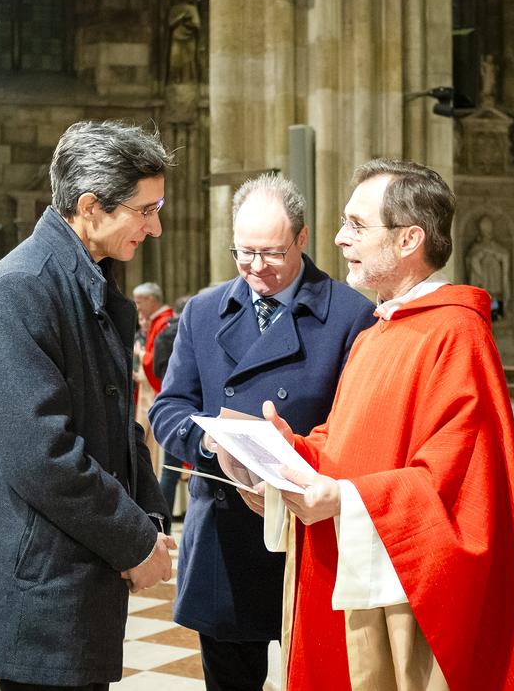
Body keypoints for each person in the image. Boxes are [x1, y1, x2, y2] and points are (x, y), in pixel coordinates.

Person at [226, 159, 514, 691]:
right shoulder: (375, 333)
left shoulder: (457, 335)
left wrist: (344, 499)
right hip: (345, 573)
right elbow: (344, 444)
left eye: (356, 225)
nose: (338, 238)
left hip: (401, 600)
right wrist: (290, 451)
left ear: (408, 239)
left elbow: (453, 486)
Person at [0, 120, 176, 691]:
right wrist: (134, 541)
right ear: (90, 206)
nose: (155, 227)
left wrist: (148, 519)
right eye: (145, 210)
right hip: (42, 584)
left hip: (74, 571)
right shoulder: (23, 287)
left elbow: (116, 421)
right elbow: (42, 456)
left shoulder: (82, 280)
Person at [149, 174, 376, 691]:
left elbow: (358, 427)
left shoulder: (350, 314)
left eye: (272, 252)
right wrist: (209, 442)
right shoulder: (203, 311)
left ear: (302, 238)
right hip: (225, 535)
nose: (256, 266)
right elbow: (169, 407)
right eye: (244, 252)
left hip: (311, 536)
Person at [151, 293, 191, 512]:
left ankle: (162, 521)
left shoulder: (163, 336)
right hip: (198, 404)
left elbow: (157, 370)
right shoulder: (197, 332)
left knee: (170, 470)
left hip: (174, 406)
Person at [133, 282, 174, 476]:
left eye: (139, 302)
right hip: (148, 389)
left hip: (157, 390)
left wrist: (140, 354)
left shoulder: (164, 322)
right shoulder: (157, 321)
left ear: (151, 300)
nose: (137, 307)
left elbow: (157, 361)